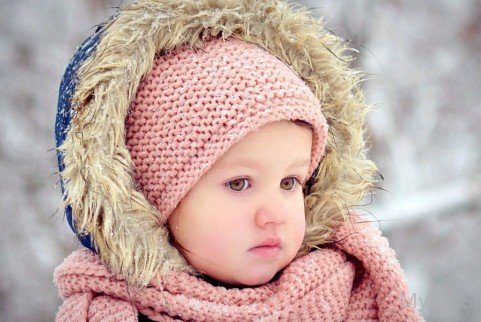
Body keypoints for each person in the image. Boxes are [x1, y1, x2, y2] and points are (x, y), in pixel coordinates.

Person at [53, 0, 422, 320]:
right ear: (152, 204)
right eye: (239, 183)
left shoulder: (349, 292)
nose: (274, 213)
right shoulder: (113, 313)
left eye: (290, 182)